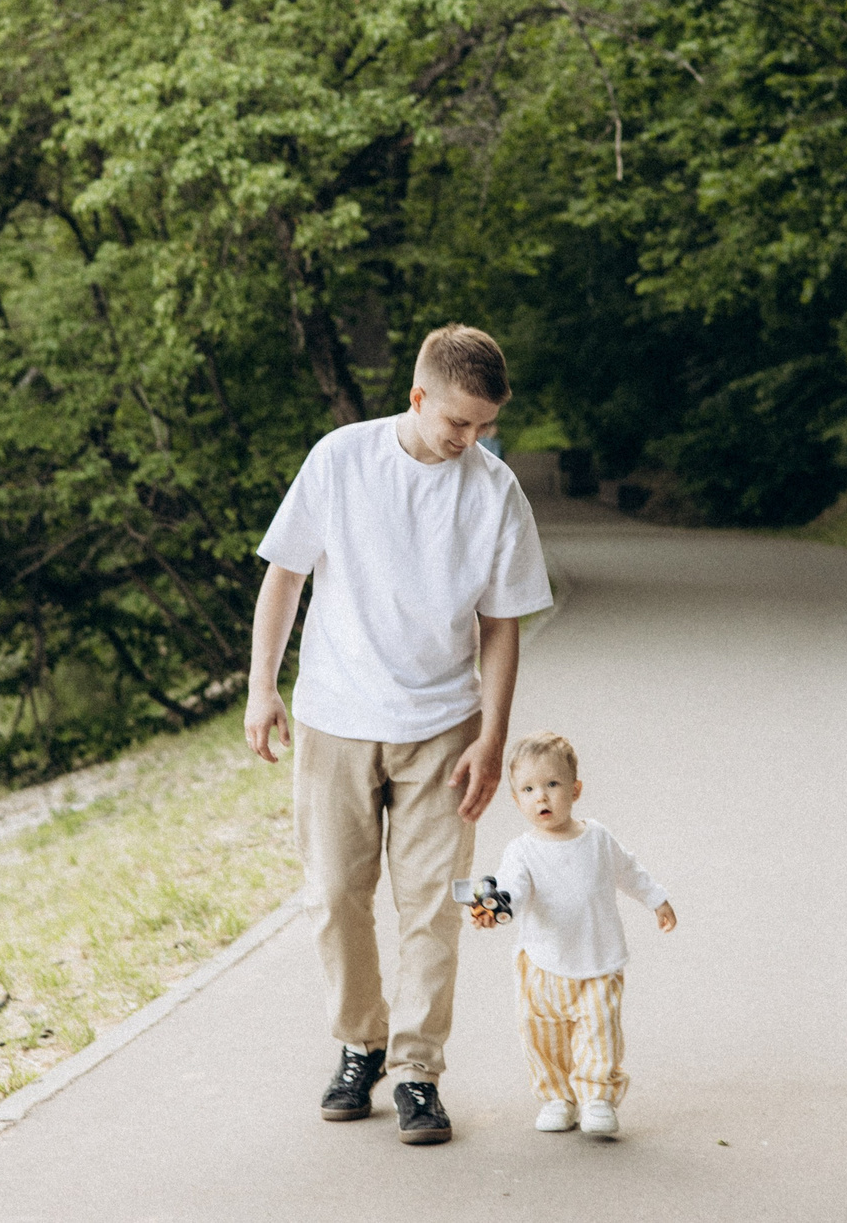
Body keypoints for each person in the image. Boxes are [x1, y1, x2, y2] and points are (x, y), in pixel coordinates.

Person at [244, 324, 553, 1147]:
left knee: (434, 906)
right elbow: (286, 574)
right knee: (335, 894)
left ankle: (417, 1069)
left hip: (442, 727)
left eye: (486, 427)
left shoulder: (494, 491)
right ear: (417, 398)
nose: (472, 441)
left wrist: (492, 735)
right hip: (335, 716)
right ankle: (360, 1043)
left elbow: (501, 624)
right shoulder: (340, 459)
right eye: (459, 423)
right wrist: (260, 685)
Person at [467, 729, 675, 1138]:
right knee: (543, 1035)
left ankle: (597, 1098)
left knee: (600, 1031)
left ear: (575, 789)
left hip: (597, 959)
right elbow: (514, 888)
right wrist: (497, 907)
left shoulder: (597, 838)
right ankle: (557, 1097)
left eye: (552, 785)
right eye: (528, 789)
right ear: (516, 800)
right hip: (541, 965)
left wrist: (656, 899)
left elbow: (628, 870)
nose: (541, 797)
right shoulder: (521, 851)